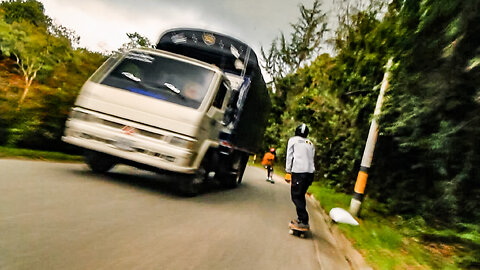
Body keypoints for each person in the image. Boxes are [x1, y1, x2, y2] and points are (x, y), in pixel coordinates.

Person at [286, 123, 315, 230]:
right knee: (301, 195)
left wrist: (288, 171)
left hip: (299, 172)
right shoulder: (310, 143)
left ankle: (303, 221)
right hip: (310, 174)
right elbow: (312, 158)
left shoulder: (293, 140)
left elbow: (290, 156)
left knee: (296, 196)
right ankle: (301, 219)